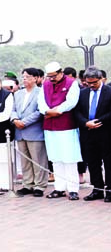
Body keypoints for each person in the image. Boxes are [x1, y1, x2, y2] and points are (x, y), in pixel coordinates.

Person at [38, 62, 82, 200]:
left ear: (61, 72)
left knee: (69, 158)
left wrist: (57, 111)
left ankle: (73, 189)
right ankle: (59, 188)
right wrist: (47, 111)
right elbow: (40, 101)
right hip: (49, 125)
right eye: (49, 76)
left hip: (66, 125)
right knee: (55, 158)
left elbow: (71, 102)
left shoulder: (71, 83)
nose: (51, 79)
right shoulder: (45, 84)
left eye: (54, 76)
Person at [73, 67, 111, 202]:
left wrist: (98, 121)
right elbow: (77, 112)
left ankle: (110, 190)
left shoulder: (109, 92)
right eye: (88, 83)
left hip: (105, 132)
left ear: (101, 79)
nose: (91, 85)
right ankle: (97, 189)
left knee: (108, 162)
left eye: (94, 83)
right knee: (93, 162)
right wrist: (85, 123)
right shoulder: (82, 93)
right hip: (88, 132)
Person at [11, 68, 48, 197]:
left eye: (27, 77)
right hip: (19, 131)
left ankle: (40, 185)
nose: (24, 79)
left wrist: (24, 122)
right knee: (25, 160)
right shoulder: (18, 94)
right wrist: (15, 119)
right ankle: (28, 184)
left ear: (35, 78)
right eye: (23, 77)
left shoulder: (41, 92)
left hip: (34, 130)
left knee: (38, 160)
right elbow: (13, 109)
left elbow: (39, 112)